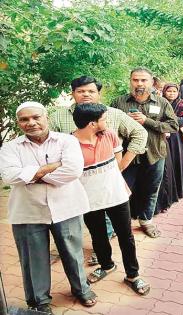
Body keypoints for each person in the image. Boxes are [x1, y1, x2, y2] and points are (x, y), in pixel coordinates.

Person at [0, 102, 97, 314]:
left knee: (72, 252)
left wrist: (31, 176)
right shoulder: (9, 148)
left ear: (46, 118)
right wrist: (51, 168)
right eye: (24, 119)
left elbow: (72, 171)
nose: (31, 123)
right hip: (27, 211)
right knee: (32, 258)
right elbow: (9, 176)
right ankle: (38, 300)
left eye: (36, 117)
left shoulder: (67, 141)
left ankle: (82, 289)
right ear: (19, 123)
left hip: (67, 206)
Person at [49, 75, 148, 265]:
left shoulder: (113, 114)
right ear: (73, 94)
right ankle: (101, 259)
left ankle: (126, 269)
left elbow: (140, 133)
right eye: (81, 91)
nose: (86, 94)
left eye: (91, 91)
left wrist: (121, 165)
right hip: (80, 187)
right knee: (94, 227)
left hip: (110, 183)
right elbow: (51, 148)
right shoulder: (58, 117)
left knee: (119, 228)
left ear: (98, 93)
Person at [72, 104, 150, 295]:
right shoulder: (69, 143)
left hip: (117, 195)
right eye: (104, 119)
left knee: (126, 236)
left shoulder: (110, 135)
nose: (107, 122)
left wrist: (115, 182)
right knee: (98, 235)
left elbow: (117, 164)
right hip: (89, 199)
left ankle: (133, 275)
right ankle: (107, 265)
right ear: (92, 123)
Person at [111, 67, 179, 238]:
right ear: (130, 81)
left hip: (155, 153)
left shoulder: (162, 103)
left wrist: (147, 121)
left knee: (151, 189)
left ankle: (146, 221)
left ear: (151, 82)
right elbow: (108, 128)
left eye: (143, 80)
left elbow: (173, 126)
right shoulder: (118, 102)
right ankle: (117, 227)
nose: (139, 83)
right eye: (135, 80)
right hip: (126, 156)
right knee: (121, 190)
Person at [162, 83, 183, 196]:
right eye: (169, 91)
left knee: (182, 161)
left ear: (178, 92)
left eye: (174, 91)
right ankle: (171, 189)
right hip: (164, 136)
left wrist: (168, 122)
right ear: (164, 92)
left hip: (180, 138)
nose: (172, 94)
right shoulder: (160, 102)